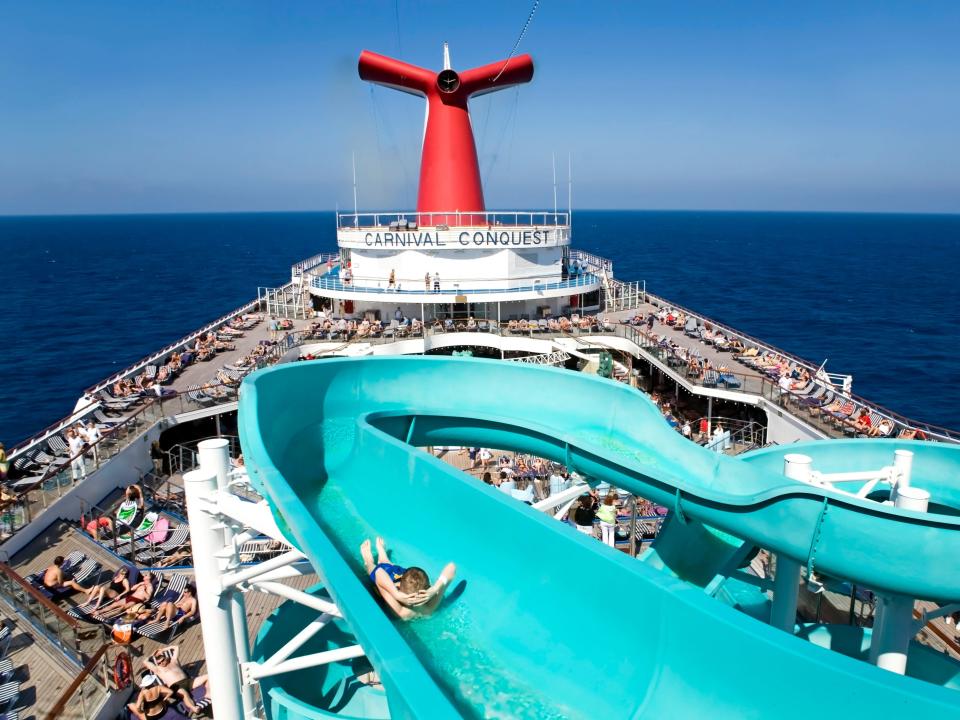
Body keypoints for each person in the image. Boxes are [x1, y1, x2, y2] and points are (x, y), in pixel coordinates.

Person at [360, 537, 456, 620]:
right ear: (427, 590)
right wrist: (435, 589)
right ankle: (383, 555)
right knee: (389, 565)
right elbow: (452, 567)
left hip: (389, 580)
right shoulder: (428, 608)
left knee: (372, 568)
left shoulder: (400, 611)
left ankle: (369, 560)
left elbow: (378, 572)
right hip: (403, 577)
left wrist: (396, 594)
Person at [144, 645, 206, 715]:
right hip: (176, 687)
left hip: (188, 681)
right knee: (184, 694)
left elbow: (176, 647)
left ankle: (209, 694)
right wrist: (153, 654)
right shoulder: (158, 669)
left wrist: (163, 650)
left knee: (207, 677)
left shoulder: (173, 661)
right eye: (159, 663)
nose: (161, 663)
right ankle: (194, 708)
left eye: (162, 660)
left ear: (165, 658)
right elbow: (145, 661)